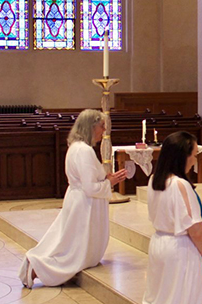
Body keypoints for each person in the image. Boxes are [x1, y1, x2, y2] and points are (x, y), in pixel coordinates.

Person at [106, 132, 202, 304]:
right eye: (193, 155)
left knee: (160, 302)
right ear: (182, 157)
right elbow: (195, 228)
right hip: (179, 249)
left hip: (159, 245)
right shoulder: (181, 185)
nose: (194, 159)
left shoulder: (155, 180)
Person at [19, 109, 128, 288]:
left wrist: (107, 179)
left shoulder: (76, 147)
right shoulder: (84, 151)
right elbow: (90, 187)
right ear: (91, 127)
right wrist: (110, 182)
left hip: (80, 201)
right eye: (101, 126)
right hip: (84, 204)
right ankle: (39, 268)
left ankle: (39, 265)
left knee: (69, 241)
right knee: (74, 248)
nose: (104, 131)